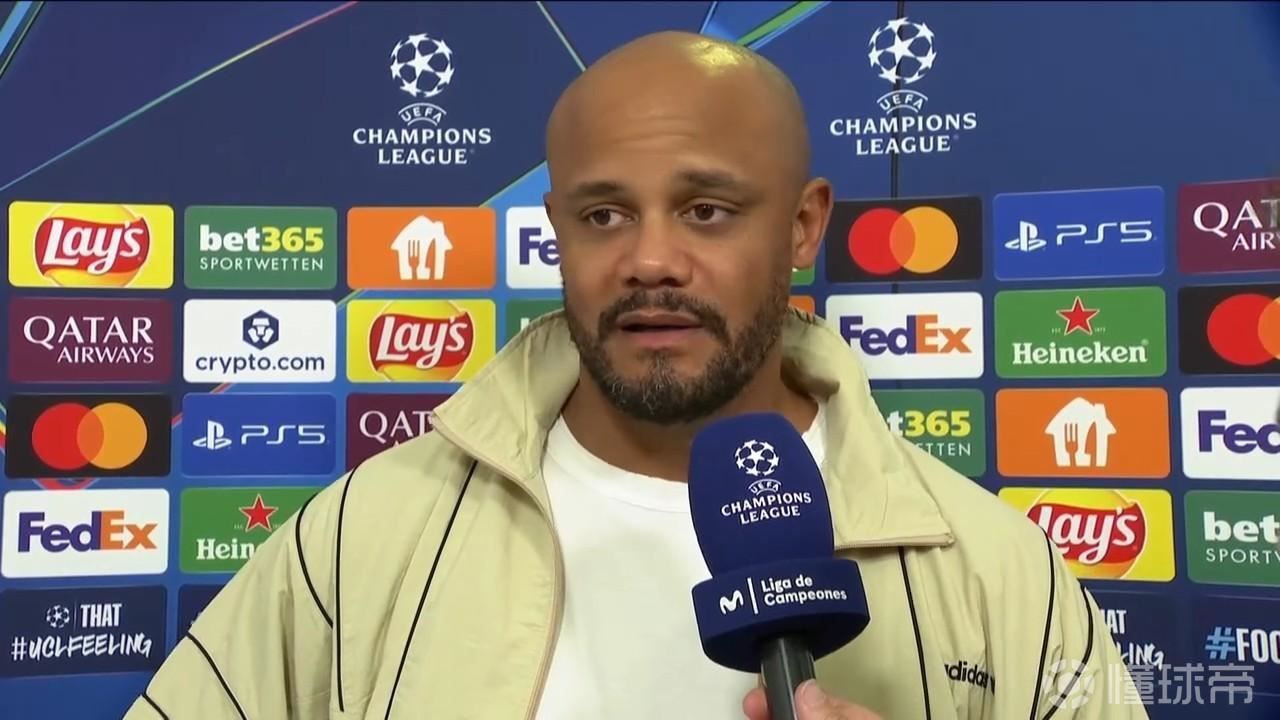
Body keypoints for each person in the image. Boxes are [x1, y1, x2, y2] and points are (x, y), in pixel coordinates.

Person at [125, 30, 1146, 720]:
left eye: (706, 210)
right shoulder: (363, 536)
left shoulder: (996, 570)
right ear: (557, 231)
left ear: (802, 227)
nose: (650, 259)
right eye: (604, 214)